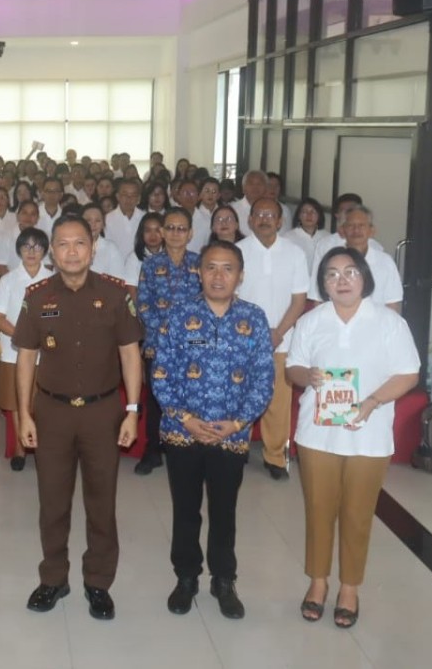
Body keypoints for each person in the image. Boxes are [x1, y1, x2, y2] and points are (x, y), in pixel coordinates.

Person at [13, 216, 144, 621]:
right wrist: (24, 414)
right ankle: (53, 577)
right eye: (63, 244)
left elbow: (129, 354)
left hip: (103, 411)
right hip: (51, 412)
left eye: (79, 244)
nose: (71, 251)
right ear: (52, 250)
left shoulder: (115, 294)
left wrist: (132, 411)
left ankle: (98, 582)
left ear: (93, 248)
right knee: (52, 501)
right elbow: (25, 358)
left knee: (101, 501)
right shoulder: (36, 297)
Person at [286, 246, 420, 628]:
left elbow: (408, 373)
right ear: (323, 284)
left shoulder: (389, 323)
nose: (341, 280)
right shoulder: (312, 321)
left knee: (358, 514)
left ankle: (349, 588)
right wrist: (305, 376)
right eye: (331, 274)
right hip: (318, 435)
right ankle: (318, 583)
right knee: (318, 511)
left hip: (369, 435)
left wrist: (374, 400)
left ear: (365, 278)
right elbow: (293, 367)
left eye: (349, 272)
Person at [151, 240, 274, 621]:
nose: (218, 276)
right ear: (198, 272)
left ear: (240, 275)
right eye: (210, 268)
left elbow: (263, 380)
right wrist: (185, 418)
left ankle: (224, 580)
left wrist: (237, 423)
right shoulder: (179, 315)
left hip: (231, 435)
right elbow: (161, 374)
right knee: (186, 510)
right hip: (182, 431)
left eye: (227, 268)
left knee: (225, 510)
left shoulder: (253, 318)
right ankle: (186, 577)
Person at [236, 198, 309, 480]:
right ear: (250, 220)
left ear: (280, 221)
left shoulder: (295, 253)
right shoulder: (238, 252)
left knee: (278, 401)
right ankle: (237, 446)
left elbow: (299, 298)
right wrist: (251, 333)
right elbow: (231, 297)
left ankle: (275, 457)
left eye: (271, 215)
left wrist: (278, 332)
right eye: (259, 214)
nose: (264, 219)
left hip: (283, 339)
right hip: (243, 340)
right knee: (240, 395)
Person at [134, 208, 202, 476]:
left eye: (181, 228)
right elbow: (143, 303)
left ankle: (187, 447)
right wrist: (166, 333)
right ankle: (153, 452)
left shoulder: (200, 263)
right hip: (157, 344)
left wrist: (186, 336)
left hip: (193, 344)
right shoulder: (150, 265)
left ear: (190, 233)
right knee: (155, 400)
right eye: (170, 228)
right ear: (162, 233)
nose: (175, 233)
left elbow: (206, 303)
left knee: (192, 397)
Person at [0, 227, 51, 471]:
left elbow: (57, 313)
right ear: (19, 250)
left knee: (41, 403)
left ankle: (40, 447)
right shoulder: (8, 280)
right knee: (15, 402)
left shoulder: (52, 280)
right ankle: (19, 447)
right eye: (26, 246)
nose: (31, 252)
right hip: (12, 351)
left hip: (46, 352)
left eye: (37, 247)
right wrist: (24, 336)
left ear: (45, 251)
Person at [308, 206, 403, 313]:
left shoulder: (385, 262)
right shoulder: (331, 261)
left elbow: (392, 304)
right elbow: (318, 299)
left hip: (375, 326)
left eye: (361, 225)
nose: (356, 230)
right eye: (351, 225)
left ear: (372, 231)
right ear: (342, 231)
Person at [283, 198, 329, 272]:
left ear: (319, 215)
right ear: (299, 215)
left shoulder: (327, 237)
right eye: (304, 212)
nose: (309, 215)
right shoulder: (288, 237)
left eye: (313, 212)